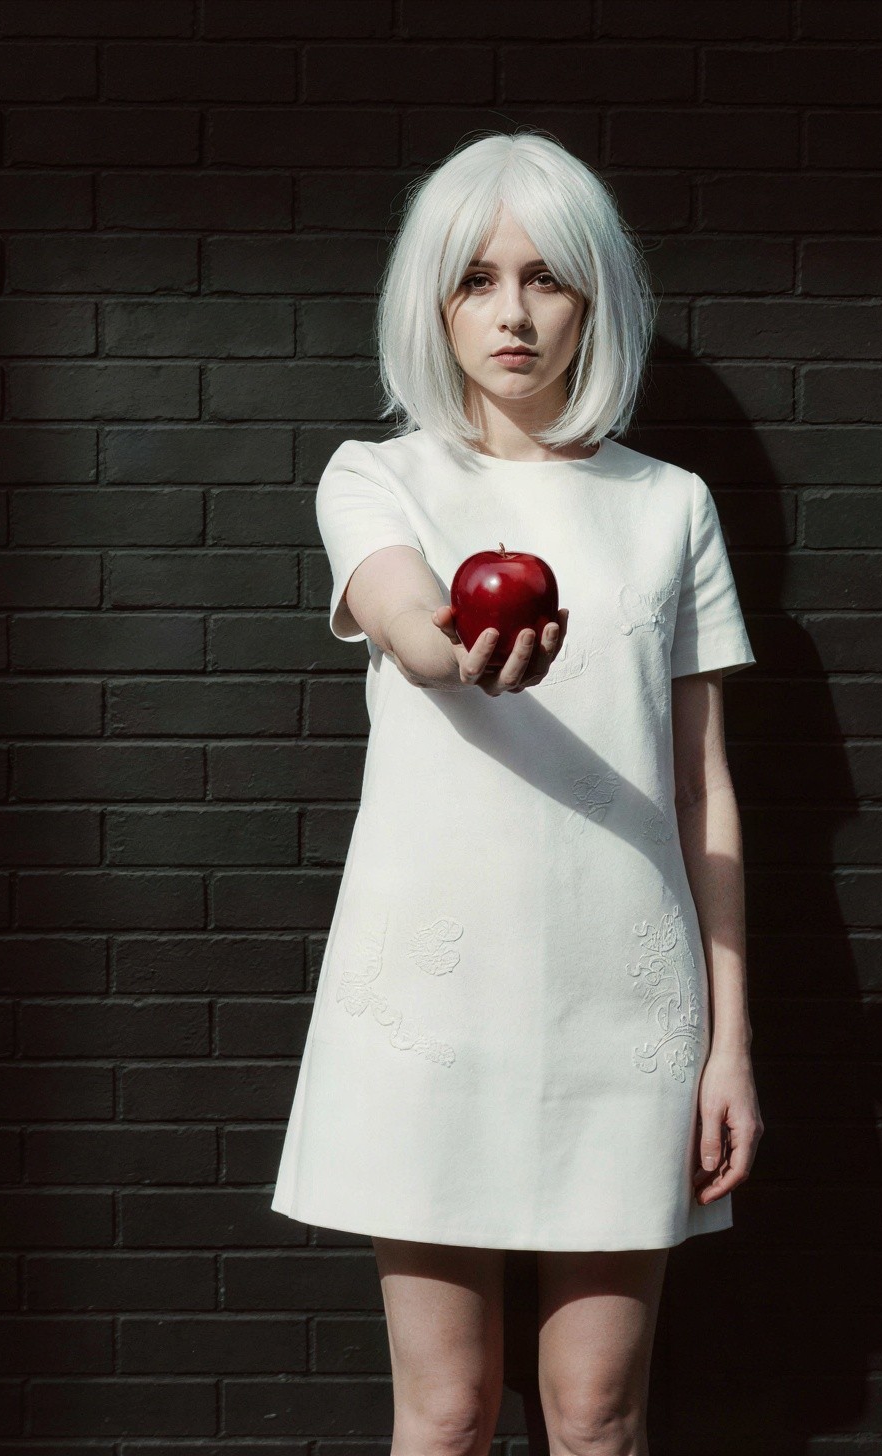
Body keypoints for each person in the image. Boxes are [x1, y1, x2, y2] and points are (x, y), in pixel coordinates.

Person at [269, 130, 761, 1455]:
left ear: (593, 300)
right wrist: (463, 657)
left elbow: (706, 792)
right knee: (445, 1413)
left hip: (627, 1006)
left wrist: (731, 1046)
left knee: (598, 1415)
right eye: (476, 279)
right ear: (431, 300)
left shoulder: (671, 507)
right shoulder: (380, 478)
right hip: (430, 1004)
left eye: (546, 278)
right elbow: (411, 628)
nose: (511, 311)